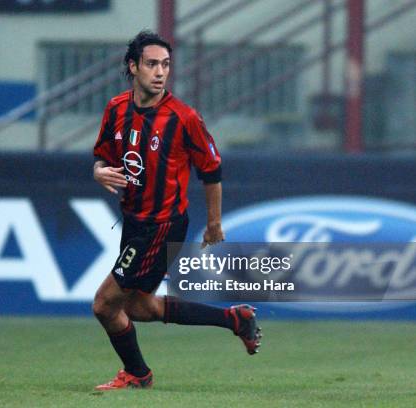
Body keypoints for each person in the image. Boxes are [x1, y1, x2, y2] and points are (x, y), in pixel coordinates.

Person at [91, 30, 262, 391]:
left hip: (161, 225)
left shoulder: (183, 118)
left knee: (105, 305)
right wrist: (98, 170)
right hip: (134, 222)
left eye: (166, 65)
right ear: (133, 66)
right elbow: (103, 154)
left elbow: (212, 170)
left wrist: (214, 223)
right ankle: (235, 319)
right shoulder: (116, 108)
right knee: (139, 308)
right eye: (152, 64)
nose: (160, 72)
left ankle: (138, 374)